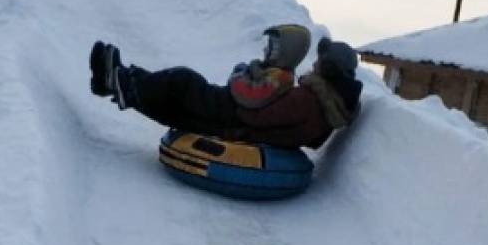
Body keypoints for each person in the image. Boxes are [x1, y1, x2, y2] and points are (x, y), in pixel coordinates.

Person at [89, 25, 362, 151]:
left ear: (327, 70)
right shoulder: (318, 102)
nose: (313, 67)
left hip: (232, 118)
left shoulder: (306, 99)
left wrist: (239, 79)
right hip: (234, 117)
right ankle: (118, 79)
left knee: (183, 81)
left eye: (319, 64)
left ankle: (119, 81)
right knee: (175, 99)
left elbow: (255, 113)